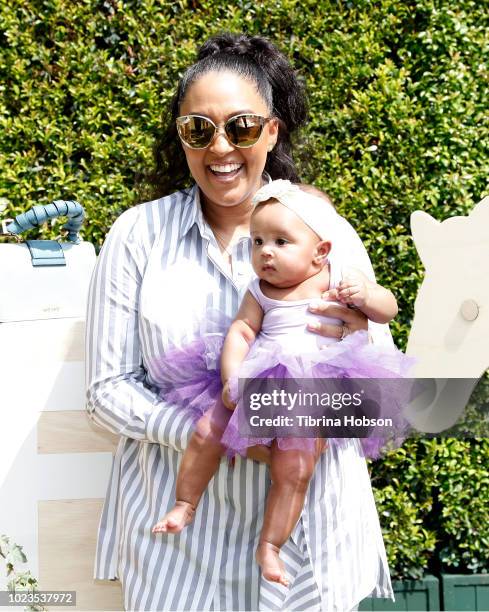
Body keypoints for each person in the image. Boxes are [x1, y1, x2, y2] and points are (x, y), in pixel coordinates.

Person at [85, 32, 396, 611]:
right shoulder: (137, 237)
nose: (220, 146)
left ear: (272, 131)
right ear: (180, 137)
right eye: (198, 129)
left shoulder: (331, 234)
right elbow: (106, 393)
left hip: (313, 549)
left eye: (243, 126)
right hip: (182, 560)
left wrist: (357, 345)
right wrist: (223, 431)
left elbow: (381, 393)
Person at [151, 180, 410, 589]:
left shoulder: (337, 277)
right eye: (256, 241)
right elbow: (240, 331)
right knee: (207, 430)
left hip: (313, 388)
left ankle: (270, 545)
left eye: (280, 241)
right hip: (258, 379)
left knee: (295, 469)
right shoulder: (259, 290)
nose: (265, 251)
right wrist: (231, 377)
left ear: (320, 251)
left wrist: (367, 295)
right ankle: (185, 502)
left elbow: (387, 311)